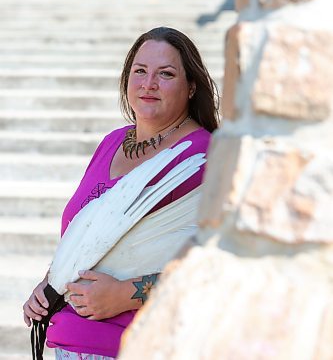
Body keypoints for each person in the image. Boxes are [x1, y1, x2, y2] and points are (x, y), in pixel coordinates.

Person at [23, 26, 220, 359]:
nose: (148, 83)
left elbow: (222, 264)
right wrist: (49, 284)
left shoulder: (206, 154)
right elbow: (89, 237)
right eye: (139, 71)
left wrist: (127, 294)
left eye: (166, 74)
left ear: (191, 87)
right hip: (66, 344)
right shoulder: (112, 142)